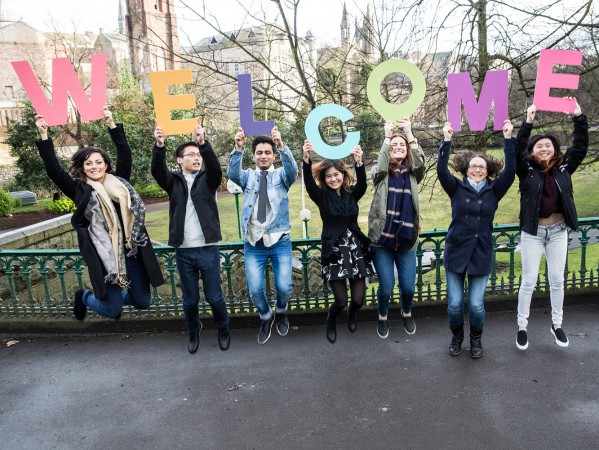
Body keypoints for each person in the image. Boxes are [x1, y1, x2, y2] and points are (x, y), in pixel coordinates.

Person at [35, 107, 164, 320]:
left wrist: (112, 124)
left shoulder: (120, 182)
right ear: (82, 167)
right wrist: (43, 136)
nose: (94, 166)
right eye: (89, 163)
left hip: (130, 252)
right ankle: (85, 297)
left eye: (98, 162)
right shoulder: (78, 189)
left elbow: (125, 153)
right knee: (112, 311)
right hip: (103, 256)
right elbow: (53, 169)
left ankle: (121, 292)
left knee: (142, 302)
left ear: (106, 165)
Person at [437, 120, 516, 358]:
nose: (478, 170)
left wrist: (508, 139)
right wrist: (447, 140)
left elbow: (511, 171)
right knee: (454, 304)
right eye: (473, 166)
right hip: (456, 251)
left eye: (482, 166)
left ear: (488, 170)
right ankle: (457, 335)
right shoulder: (456, 188)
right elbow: (442, 170)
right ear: (466, 169)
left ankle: (476, 339)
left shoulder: (495, 189)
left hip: (480, 252)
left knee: (475, 305)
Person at [151, 120, 231, 354]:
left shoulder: (208, 179)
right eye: (191, 155)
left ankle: (223, 328)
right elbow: (157, 171)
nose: (197, 158)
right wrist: (159, 146)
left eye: (198, 155)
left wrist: (203, 143)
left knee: (215, 297)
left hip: (208, 248)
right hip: (183, 250)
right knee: (191, 300)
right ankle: (193, 332)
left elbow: (216, 168)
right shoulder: (173, 182)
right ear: (179, 160)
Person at [515, 100, 588, 350]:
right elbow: (516, 151)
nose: (544, 148)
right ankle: (522, 327)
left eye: (548, 145)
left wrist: (578, 117)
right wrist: (527, 122)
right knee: (529, 281)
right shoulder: (526, 170)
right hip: (533, 234)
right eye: (539, 146)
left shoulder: (564, 168)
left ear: (555, 149)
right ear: (532, 151)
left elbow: (580, 148)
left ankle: (557, 325)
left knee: (557, 280)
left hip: (557, 232)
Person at [227, 126, 298, 344]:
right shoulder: (248, 177)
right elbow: (233, 174)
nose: (264, 156)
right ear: (254, 155)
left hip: (279, 239)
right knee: (255, 289)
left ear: (274, 156)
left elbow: (293, 170)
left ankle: (281, 311)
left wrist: (282, 145)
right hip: (254, 242)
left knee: (284, 286)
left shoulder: (281, 176)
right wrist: (237, 149)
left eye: (268, 152)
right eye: (259, 152)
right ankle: (266, 316)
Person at [302, 141, 374, 343]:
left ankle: (353, 313)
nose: (333, 178)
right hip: (334, 251)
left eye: (336, 174)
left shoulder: (352, 194)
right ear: (324, 179)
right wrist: (306, 159)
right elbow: (308, 183)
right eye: (329, 176)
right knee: (340, 301)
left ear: (343, 174)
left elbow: (363, 185)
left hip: (355, 251)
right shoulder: (321, 196)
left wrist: (359, 162)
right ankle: (331, 319)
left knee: (358, 300)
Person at [368, 118, 426, 339]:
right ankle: (382, 315)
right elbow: (380, 166)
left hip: (406, 240)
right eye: (394, 146)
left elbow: (421, 162)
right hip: (382, 240)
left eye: (402, 146)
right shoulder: (380, 173)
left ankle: (407, 311)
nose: (398, 148)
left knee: (408, 287)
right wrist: (387, 136)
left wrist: (409, 133)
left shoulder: (413, 173)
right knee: (386, 286)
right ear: (387, 151)